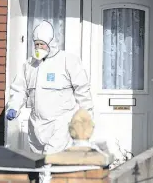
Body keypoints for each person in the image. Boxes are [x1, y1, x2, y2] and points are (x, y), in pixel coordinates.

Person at [6, 20, 94, 155]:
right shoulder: (29, 65)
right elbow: (20, 90)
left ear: (50, 44)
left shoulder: (67, 61)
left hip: (60, 123)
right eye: (36, 44)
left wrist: (86, 115)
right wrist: (13, 106)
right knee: (39, 161)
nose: (38, 48)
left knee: (51, 161)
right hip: (36, 125)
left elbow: (82, 90)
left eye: (42, 44)